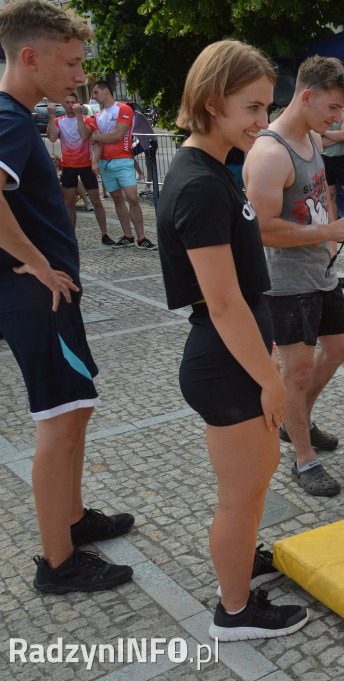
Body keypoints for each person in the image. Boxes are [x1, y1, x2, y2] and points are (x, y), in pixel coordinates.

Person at [156, 39, 308, 640]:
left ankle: (240, 565)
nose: (261, 122)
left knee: (251, 485)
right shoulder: (197, 183)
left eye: (266, 107)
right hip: (224, 364)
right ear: (211, 101)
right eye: (251, 108)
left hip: (233, 358)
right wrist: (271, 380)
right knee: (240, 498)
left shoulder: (213, 171)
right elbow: (220, 303)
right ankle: (235, 612)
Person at [0, 0, 135, 595]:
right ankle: (58, 563)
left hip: (42, 293)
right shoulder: (7, 116)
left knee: (75, 409)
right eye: (73, 63)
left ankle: (73, 520)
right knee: (58, 419)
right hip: (37, 296)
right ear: (30, 58)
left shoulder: (17, 116)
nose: (81, 76)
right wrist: (37, 264)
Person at [245, 55, 344, 497]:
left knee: (339, 347)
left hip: (319, 269)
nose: (338, 119)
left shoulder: (312, 138)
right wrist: (326, 231)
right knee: (294, 372)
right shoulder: (269, 151)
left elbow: (319, 198)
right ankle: (302, 458)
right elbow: (260, 228)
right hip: (286, 281)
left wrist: (334, 233)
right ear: (307, 96)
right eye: (333, 108)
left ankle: (299, 420)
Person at [90, 80, 155, 249]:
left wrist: (96, 137)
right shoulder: (97, 115)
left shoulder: (123, 109)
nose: (93, 96)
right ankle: (128, 236)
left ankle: (142, 238)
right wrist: (94, 161)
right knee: (117, 199)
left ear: (106, 91)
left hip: (123, 160)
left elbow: (118, 135)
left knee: (132, 198)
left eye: (96, 92)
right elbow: (98, 143)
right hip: (105, 162)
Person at [45, 92, 110, 243]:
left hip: (86, 165)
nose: (70, 105)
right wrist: (50, 116)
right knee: (69, 203)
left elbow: (85, 136)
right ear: (63, 104)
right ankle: (71, 236)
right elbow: (53, 138)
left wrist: (79, 115)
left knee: (96, 201)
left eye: (73, 102)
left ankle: (104, 234)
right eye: (67, 102)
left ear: (78, 103)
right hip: (68, 166)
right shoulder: (58, 121)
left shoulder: (87, 120)